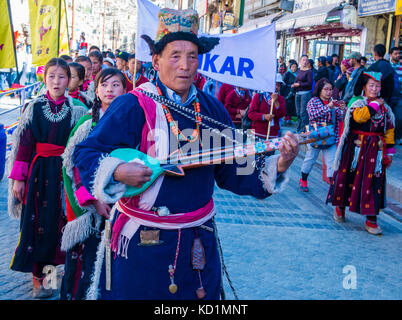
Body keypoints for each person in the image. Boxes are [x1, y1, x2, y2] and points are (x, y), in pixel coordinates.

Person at [72, 8, 299, 300]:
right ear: (156, 60)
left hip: (197, 240)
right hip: (142, 243)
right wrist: (116, 171)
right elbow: (87, 153)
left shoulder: (212, 109)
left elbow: (232, 168)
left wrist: (279, 163)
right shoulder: (133, 105)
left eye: (192, 56)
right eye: (175, 56)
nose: (185, 65)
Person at [8, 58, 87, 298]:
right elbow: (24, 144)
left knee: (58, 224)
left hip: (64, 174)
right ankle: (37, 279)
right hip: (38, 174)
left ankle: (53, 276)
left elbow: (81, 148)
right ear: (45, 79)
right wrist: (19, 180)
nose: (56, 81)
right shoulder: (33, 107)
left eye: (62, 77)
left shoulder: (78, 110)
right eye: (52, 76)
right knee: (36, 223)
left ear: (69, 80)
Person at [60, 68, 126, 300]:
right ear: (96, 90)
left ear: (125, 90)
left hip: (124, 205)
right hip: (92, 208)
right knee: (85, 266)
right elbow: (72, 167)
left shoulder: (133, 122)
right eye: (104, 85)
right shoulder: (87, 124)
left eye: (116, 84)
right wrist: (93, 201)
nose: (110, 89)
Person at [327, 72, 395, 235]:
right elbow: (359, 118)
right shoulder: (357, 103)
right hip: (355, 150)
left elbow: (389, 129)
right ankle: (340, 208)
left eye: (377, 86)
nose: (375, 89)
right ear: (364, 87)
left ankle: (371, 219)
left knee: (373, 183)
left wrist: (389, 152)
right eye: (371, 85)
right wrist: (374, 106)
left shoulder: (386, 108)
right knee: (348, 178)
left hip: (375, 152)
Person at [299, 78, 346, 192]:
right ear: (320, 90)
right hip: (315, 137)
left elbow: (340, 118)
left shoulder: (333, 102)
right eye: (326, 89)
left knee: (332, 162)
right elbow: (313, 115)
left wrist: (342, 109)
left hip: (331, 138)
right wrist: (328, 107)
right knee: (310, 159)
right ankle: (303, 180)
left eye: (330, 89)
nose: (329, 92)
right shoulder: (313, 101)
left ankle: (332, 187)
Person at [248, 74, 287, 139]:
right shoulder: (258, 96)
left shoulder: (281, 99)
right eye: (275, 84)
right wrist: (264, 116)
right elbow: (251, 114)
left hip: (272, 135)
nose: (277, 87)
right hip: (256, 134)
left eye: (279, 85)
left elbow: (282, 114)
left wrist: (276, 102)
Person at [292, 55, 313, 132]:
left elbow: (309, 84)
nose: (305, 62)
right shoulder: (299, 70)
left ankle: (303, 130)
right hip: (297, 93)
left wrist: (299, 84)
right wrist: (294, 84)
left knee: (303, 113)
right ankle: (299, 128)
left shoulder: (309, 71)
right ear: (300, 61)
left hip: (305, 94)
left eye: (306, 60)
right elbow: (296, 80)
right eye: (303, 60)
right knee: (298, 112)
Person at [389, 47, 402, 145]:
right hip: (388, 96)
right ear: (391, 55)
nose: (398, 55)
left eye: (399, 53)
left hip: (399, 97)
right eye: (396, 53)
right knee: (387, 117)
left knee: (398, 118)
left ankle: (396, 138)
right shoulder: (387, 66)